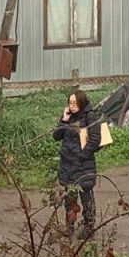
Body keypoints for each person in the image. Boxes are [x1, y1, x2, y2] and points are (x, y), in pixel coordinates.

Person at [53, 90, 101, 240]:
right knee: (69, 198)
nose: (72, 106)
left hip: (83, 165)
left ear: (81, 102)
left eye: (74, 103)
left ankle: (89, 227)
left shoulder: (90, 117)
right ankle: (69, 226)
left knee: (86, 197)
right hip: (67, 165)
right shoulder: (69, 117)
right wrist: (64, 119)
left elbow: (95, 140)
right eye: (70, 103)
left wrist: (82, 155)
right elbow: (56, 136)